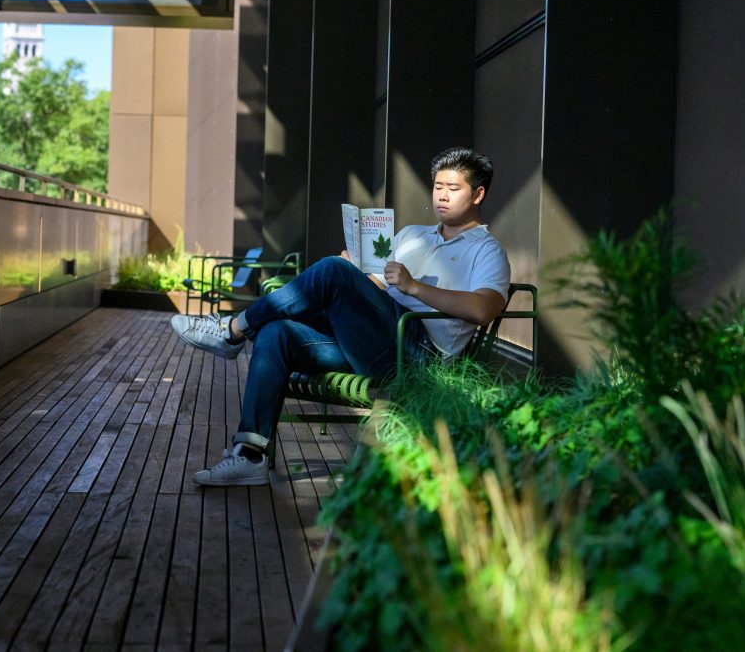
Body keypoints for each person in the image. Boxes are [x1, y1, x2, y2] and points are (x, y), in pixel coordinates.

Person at [170, 147, 511, 486]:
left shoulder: (487, 250)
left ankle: (232, 329)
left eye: (453, 188)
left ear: (478, 194)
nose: (442, 196)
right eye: (438, 187)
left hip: (419, 355)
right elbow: (375, 289)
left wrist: (415, 287)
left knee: (331, 271)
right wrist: (356, 276)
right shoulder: (411, 235)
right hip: (374, 341)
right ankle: (249, 455)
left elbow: (484, 309)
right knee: (278, 332)